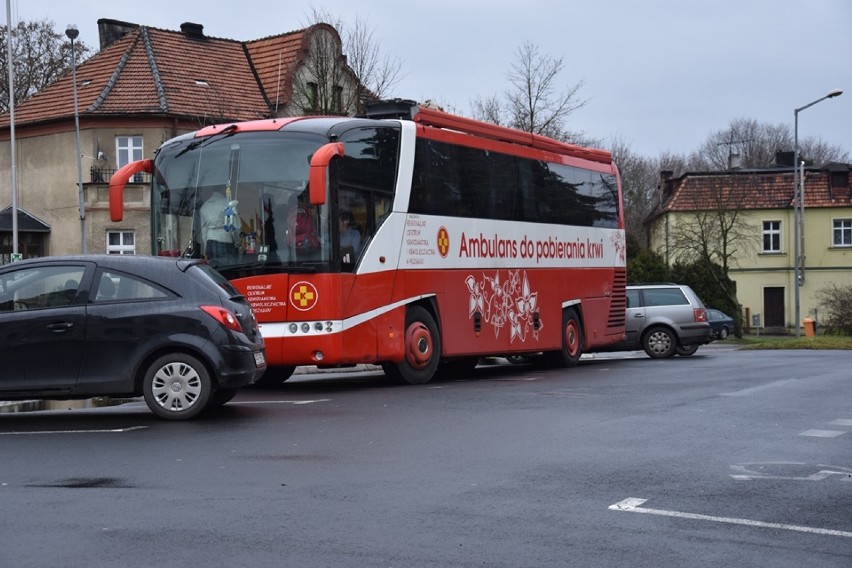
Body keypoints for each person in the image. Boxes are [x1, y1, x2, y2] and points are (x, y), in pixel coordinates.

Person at [200, 192, 237, 261]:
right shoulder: (227, 203)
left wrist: (205, 248)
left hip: (209, 242)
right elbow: (234, 224)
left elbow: (203, 231)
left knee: (213, 269)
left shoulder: (204, 206)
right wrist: (237, 242)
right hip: (225, 240)